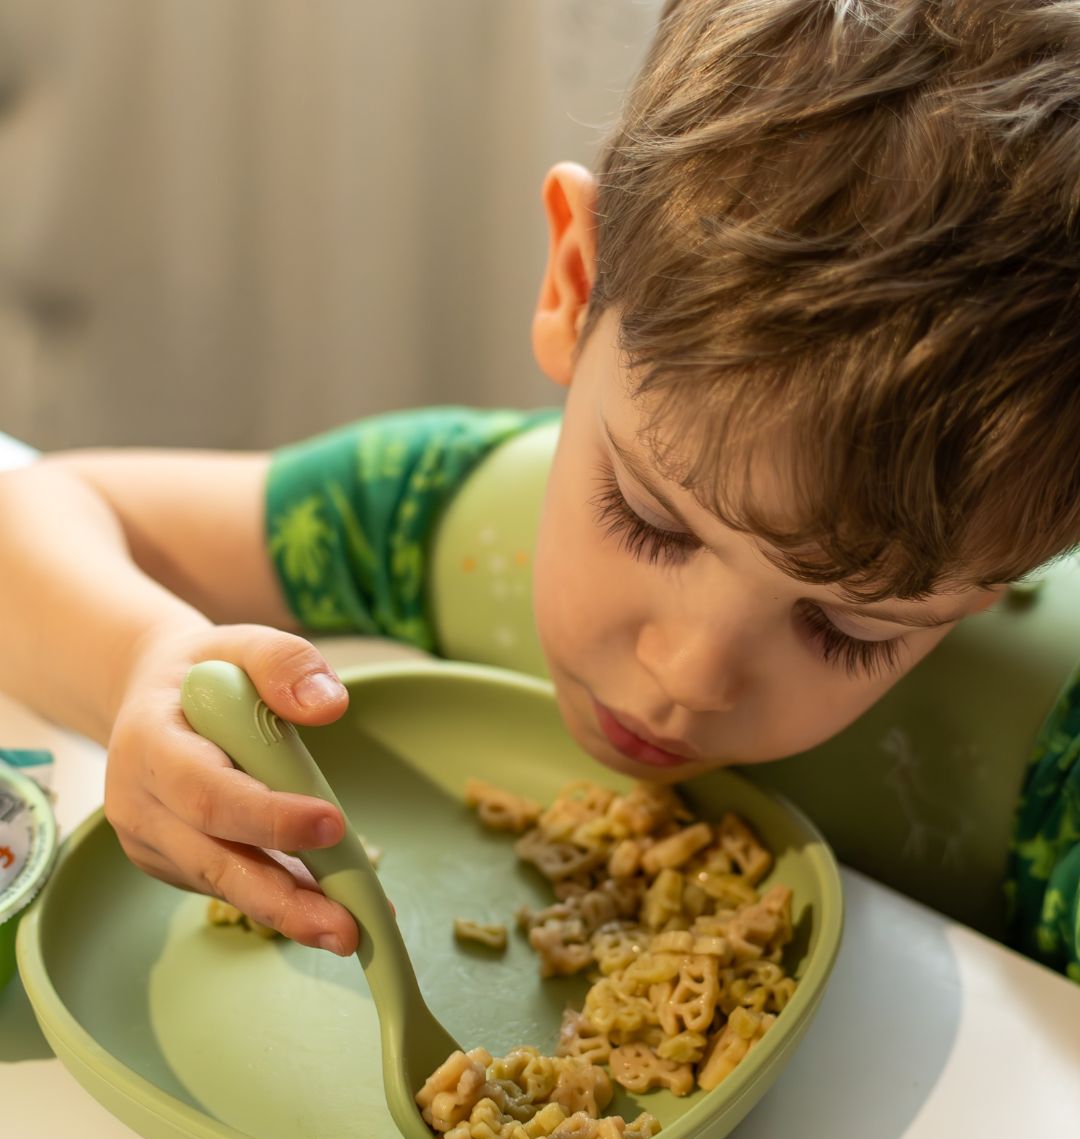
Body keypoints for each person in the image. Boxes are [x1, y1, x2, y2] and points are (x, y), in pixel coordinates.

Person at [1, 0, 1079, 978]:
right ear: (576, 281)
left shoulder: (1058, 780)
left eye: (848, 627)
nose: (690, 673)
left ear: (1007, 574)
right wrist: (138, 667)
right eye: (653, 522)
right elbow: (35, 518)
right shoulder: (447, 510)